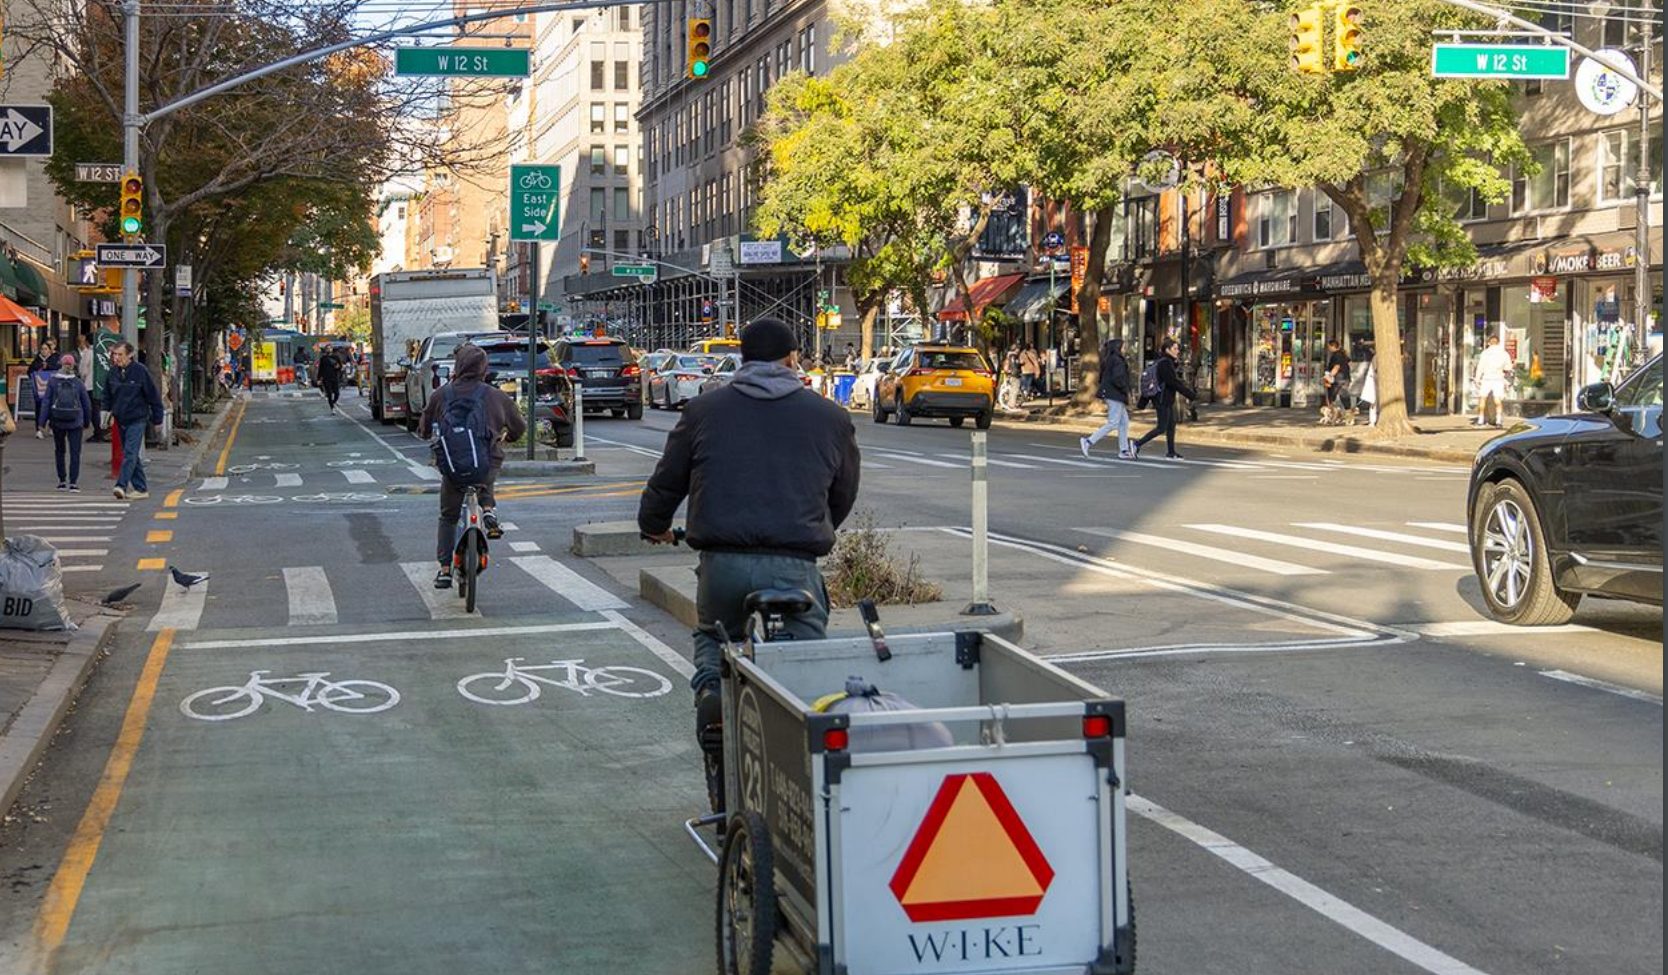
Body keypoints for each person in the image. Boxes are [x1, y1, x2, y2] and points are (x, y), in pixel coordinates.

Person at [637, 318, 861, 749]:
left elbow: (668, 480)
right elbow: (843, 492)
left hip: (724, 563)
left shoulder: (704, 410)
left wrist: (655, 527)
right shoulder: (830, 417)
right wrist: (817, 525)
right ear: (793, 358)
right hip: (794, 564)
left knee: (713, 635)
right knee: (805, 660)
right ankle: (802, 725)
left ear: (743, 358)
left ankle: (712, 694)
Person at [419, 344, 525, 589]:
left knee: (448, 516)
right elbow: (519, 428)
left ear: (459, 366)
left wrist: (430, 433)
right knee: (485, 475)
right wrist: (506, 437)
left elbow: (424, 429)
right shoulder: (496, 396)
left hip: (453, 466)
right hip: (487, 463)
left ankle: (445, 569)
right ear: (483, 368)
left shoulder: (441, 394)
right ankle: (488, 510)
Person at [103, 341, 164, 500]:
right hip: (120, 418)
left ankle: (121, 485)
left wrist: (158, 419)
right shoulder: (112, 373)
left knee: (129, 453)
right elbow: (107, 395)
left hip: (137, 418)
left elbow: (153, 395)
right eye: (114, 355)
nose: (116, 358)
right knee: (131, 455)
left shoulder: (140, 371)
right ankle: (141, 488)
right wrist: (106, 414)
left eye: (120, 355)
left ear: (130, 355)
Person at [1131, 338, 1197, 460]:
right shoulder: (1165, 363)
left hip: (1165, 398)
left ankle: (1171, 453)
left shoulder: (1163, 361)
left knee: (1171, 425)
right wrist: (1190, 395)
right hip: (1162, 399)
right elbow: (1172, 382)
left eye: (1178, 349)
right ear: (1167, 350)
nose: (1178, 351)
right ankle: (1137, 444)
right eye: (1175, 349)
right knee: (1162, 427)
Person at [45, 354, 92, 491]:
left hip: (57, 420)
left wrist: (42, 422)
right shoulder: (78, 383)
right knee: (75, 452)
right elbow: (86, 404)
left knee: (59, 451)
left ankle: (61, 480)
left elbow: (46, 402)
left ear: (60, 365)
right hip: (75, 421)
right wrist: (87, 421)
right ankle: (73, 482)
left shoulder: (53, 382)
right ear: (73, 366)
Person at [1081, 338, 1132, 459]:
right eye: (1123, 346)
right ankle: (1089, 441)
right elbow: (1118, 378)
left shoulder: (1108, 359)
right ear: (1118, 348)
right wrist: (1126, 389)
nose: (1124, 349)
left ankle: (1124, 450)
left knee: (1123, 422)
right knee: (1113, 423)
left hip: (1111, 393)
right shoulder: (1118, 360)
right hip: (1115, 394)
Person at [1473, 334, 1513, 428]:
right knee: (1497, 400)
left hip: (1486, 378)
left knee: (1483, 398)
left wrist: (1477, 378)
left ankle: (1480, 419)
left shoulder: (1485, 353)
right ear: (1498, 342)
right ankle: (1498, 420)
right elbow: (1508, 367)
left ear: (1489, 343)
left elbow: (1480, 367)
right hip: (1498, 378)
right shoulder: (1504, 353)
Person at [27, 339, 60, 438]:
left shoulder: (54, 359)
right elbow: (30, 371)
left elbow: (57, 369)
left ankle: (51, 427)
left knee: (52, 407)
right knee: (39, 408)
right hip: (39, 390)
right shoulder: (37, 360)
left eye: (45, 349)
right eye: (42, 349)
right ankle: (39, 429)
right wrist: (39, 367)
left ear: (49, 350)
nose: (43, 351)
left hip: (51, 389)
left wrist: (48, 366)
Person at [316, 347, 344, 412]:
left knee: (337, 393)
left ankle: (333, 402)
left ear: (332, 349)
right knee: (329, 393)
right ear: (325, 350)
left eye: (330, 348)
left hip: (335, 377)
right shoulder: (323, 358)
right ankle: (332, 408)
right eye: (327, 348)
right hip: (326, 378)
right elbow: (320, 369)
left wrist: (338, 367)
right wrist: (318, 379)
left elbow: (340, 366)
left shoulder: (336, 357)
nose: (328, 349)